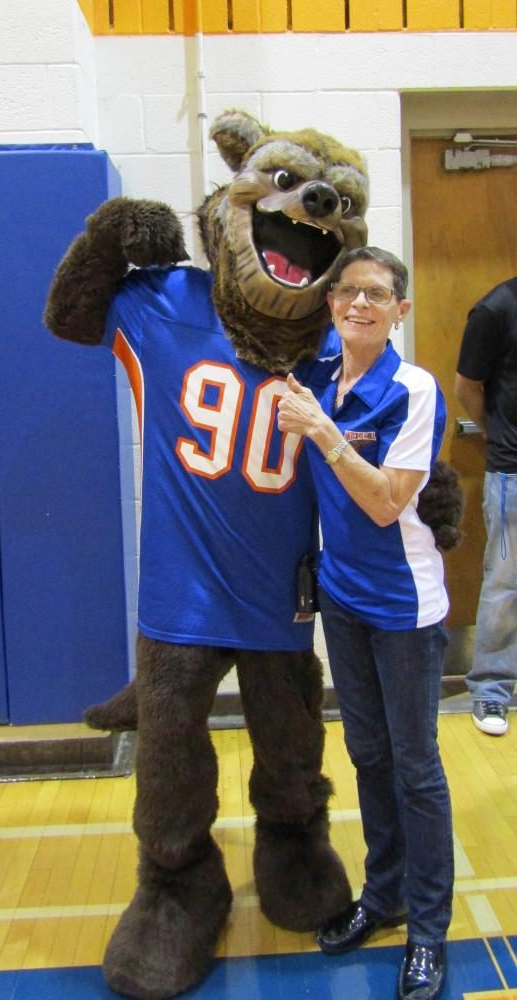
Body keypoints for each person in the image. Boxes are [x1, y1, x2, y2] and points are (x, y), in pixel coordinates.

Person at [277, 246, 453, 1000]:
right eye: (347, 291)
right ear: (330, 303)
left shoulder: (413, 389)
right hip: (343, 600)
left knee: (415, 769)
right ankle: (382, 900)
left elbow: (385, 502)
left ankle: (426, 931)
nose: (358, 304)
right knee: (368, 755)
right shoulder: (314, 372)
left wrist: (320, 429)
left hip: (405, 608)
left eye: (375, 295)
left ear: (398, 311)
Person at [455, 277, 517, 737]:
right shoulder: (496, 308)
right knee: (505, 585)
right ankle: (492, 690)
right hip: (513, 471)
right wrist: (496, 435)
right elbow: (467, 388)